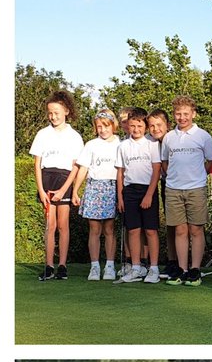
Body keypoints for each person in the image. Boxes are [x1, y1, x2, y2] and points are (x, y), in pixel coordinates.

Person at [161, 95, 212, 287]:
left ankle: (195, 270)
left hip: (196, 189)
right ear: (174, 115)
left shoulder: (203, 136)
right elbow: (165, 161)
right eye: (178, 114)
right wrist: (173, 176)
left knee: (196, 230)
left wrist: (199, 175)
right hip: (173, 189)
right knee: (180, 230)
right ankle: (182, 270)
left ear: (193, 114)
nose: (182, 117)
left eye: (186, 113)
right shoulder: (169, 137)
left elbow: (211, 161)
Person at [30, 89, 84, 281]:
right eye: (50, 113)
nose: (53, 117)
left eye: (57, 113)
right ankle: (49, 266)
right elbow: (37, 164)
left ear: (67, 111)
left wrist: (63, 190)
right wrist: (41, 190)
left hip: (64, 181)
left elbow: (76, 166)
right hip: (47, 179)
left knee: (63, 225)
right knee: (50, 225)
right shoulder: (42, 134)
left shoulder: (75, 136)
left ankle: (62, 266)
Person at [72, 108, 121, 281]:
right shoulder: (91, 145)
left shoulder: (120, 144)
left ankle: (109, 266)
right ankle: (94, 267)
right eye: (99, 126)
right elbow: (83, 168)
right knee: (94, 229)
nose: (103, 130)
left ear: (113, 125)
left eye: (106, 126)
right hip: (94, 187)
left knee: (109, 229)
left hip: (112, 187)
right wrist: (75, 190)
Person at [115, 107, 162, 283]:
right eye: (132, 126)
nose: (136, 129)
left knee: (150, 230)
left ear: (145, 126)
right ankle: (136, 268)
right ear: (128, 125)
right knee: (133, 230)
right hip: (130, 191)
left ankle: (154, 268)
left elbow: (156, 170)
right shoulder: (123, 146)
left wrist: (149, 195)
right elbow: (120, 173)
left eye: (139, 126)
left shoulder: (152, 144)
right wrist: (120, 197)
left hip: (148, 190)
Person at [147, 108, 180, 279]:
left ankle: (183, 263)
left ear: (167, 124)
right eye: (152, 125)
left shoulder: (174, 139)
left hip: (180, 185)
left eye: (159, 125)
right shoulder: (150, 142)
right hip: (164, 184)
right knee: (170, 225)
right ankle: (172, 261)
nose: (155, 129)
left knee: (182, 226)